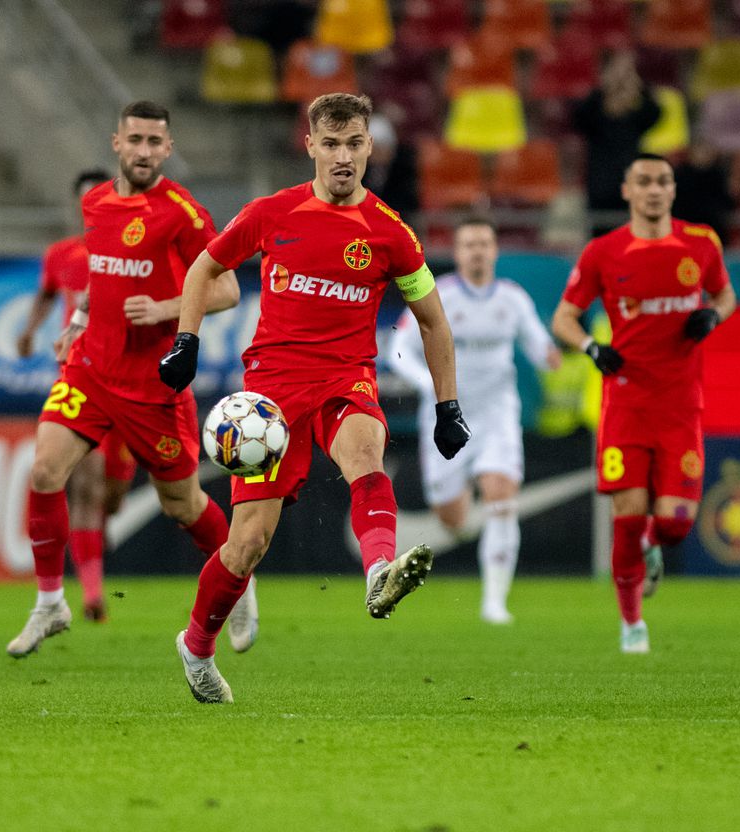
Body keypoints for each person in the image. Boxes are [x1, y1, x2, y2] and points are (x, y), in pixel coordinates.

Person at [159, 92, 469, 704]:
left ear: (369, 147)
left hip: (345, 376)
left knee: (366, 450)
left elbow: (433, 322)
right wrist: (185, 342)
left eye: (354, 143)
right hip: (271, 392)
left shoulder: (390, 232)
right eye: (331, 144)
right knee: (248, 543)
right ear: (310, 147)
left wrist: (447, 404)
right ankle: (196, 646)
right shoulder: (271, 212)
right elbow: (202, 269)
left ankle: (379, 569)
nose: (343, 156)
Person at [7, 101, 249, 657]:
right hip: (90, 369)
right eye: (134, 140)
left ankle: (240, 581)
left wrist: (166, 308)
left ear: (167, 148)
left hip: (151, 385)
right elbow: (102, 275)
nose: (143, 151)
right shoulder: (95, 203)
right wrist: (77, 321)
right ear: (117, 142)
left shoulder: (183, 213)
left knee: (182, 504)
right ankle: (50, 602)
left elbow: (229, 289)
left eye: (154, 142)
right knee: (45, 470)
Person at [551, 153, 737, 654]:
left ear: (673, 190)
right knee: (628, 516)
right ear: (627, 192)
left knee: (675, 523)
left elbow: (725, 296)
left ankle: (656, 546)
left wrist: (713, 318)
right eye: (644, 182)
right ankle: (632, 623)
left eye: (662, 181)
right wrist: (592, 348)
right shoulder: (603, 252)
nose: (654, 189)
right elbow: (564, 318)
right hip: (627, 404)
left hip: (680, 406)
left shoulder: (700, 244)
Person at [387, 217, 560, 624]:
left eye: (485, 243)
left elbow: (536, 341)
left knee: (502, 496)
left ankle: (494, 603)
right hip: (449, 412)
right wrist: (428, 385)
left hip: (498, 411)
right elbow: (400, 346)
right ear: (458, 252)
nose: (478, 251)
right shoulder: (439, 296)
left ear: (495, 250)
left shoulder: (512, 299)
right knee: (452, 517)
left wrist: (549, 357)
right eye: (470, 244)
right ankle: (465, 519)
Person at [17, 168, 131, 622]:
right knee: (86, 482)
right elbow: (47, 294)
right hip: (81, 377)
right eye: (83, 200)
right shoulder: (61, 255)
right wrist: (29, 331)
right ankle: (91, 593)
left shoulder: (129, 252)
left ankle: (93, 544)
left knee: (115, 495)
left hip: (131, 383)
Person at [572, 51, 661, 235]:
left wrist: (638, 85)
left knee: (629, 238)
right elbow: (578, 117)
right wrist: (604, 87)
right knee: (600, 238)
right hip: (600, 185)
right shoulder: (597, 116)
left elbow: (655, 112)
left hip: (628, 184)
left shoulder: (635, 119)